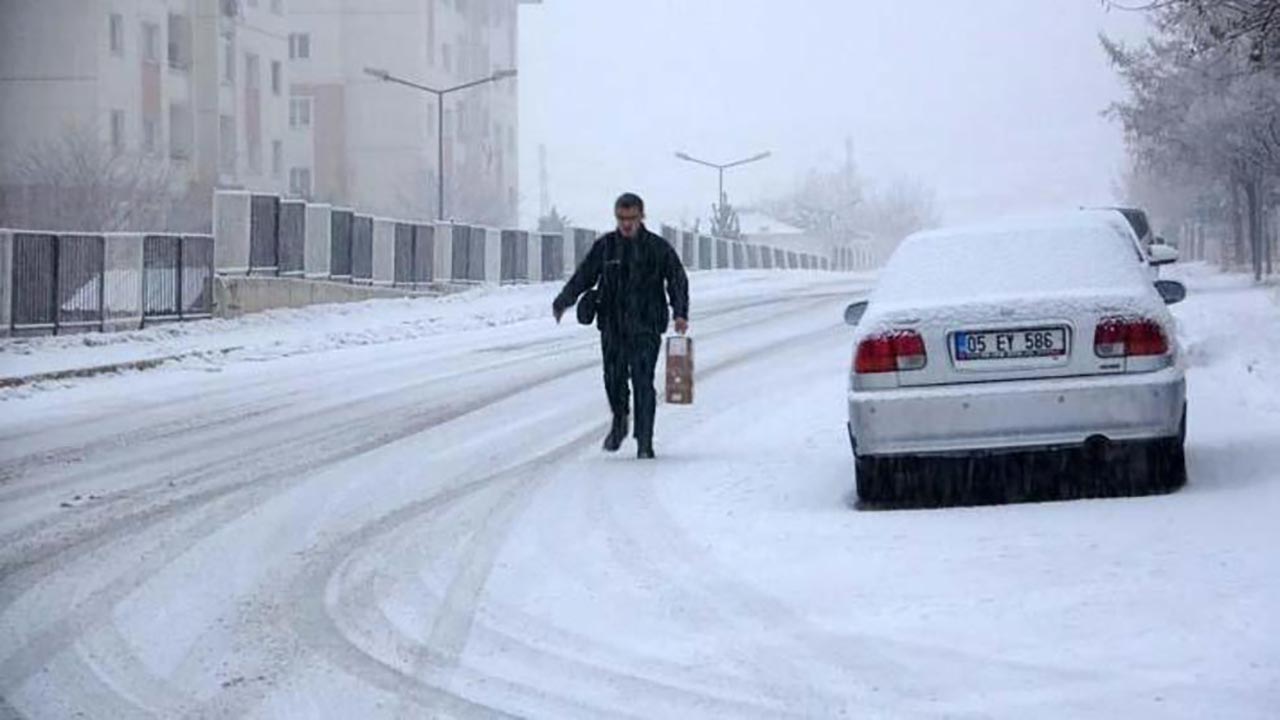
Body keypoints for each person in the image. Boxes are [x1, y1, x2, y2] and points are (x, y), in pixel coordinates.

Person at [553, 193, 689, 459]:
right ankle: (620, 420)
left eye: (632, 218)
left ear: (641, 217)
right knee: (613, 380)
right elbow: (584, 276)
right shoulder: (606, 248)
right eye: (622, 218)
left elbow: (676, 279)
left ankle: (645, 441)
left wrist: (680, 312)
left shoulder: (657, 248)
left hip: (646, 326)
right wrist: (563, 301)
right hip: (613, 325)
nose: (626, 224)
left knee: (642, 381)